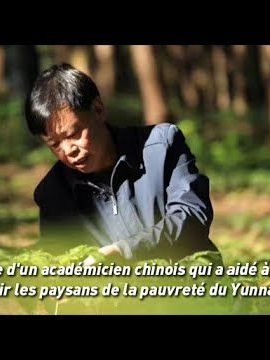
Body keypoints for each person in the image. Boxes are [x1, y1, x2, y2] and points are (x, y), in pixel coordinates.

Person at [25, 63, 220, 263]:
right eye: (54, 144)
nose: (68, 150)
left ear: (98, 110)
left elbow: (192, 216)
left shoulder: (160, 147)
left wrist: (124, 250)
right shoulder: (53, 192)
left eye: (74, 134)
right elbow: (59, 260)